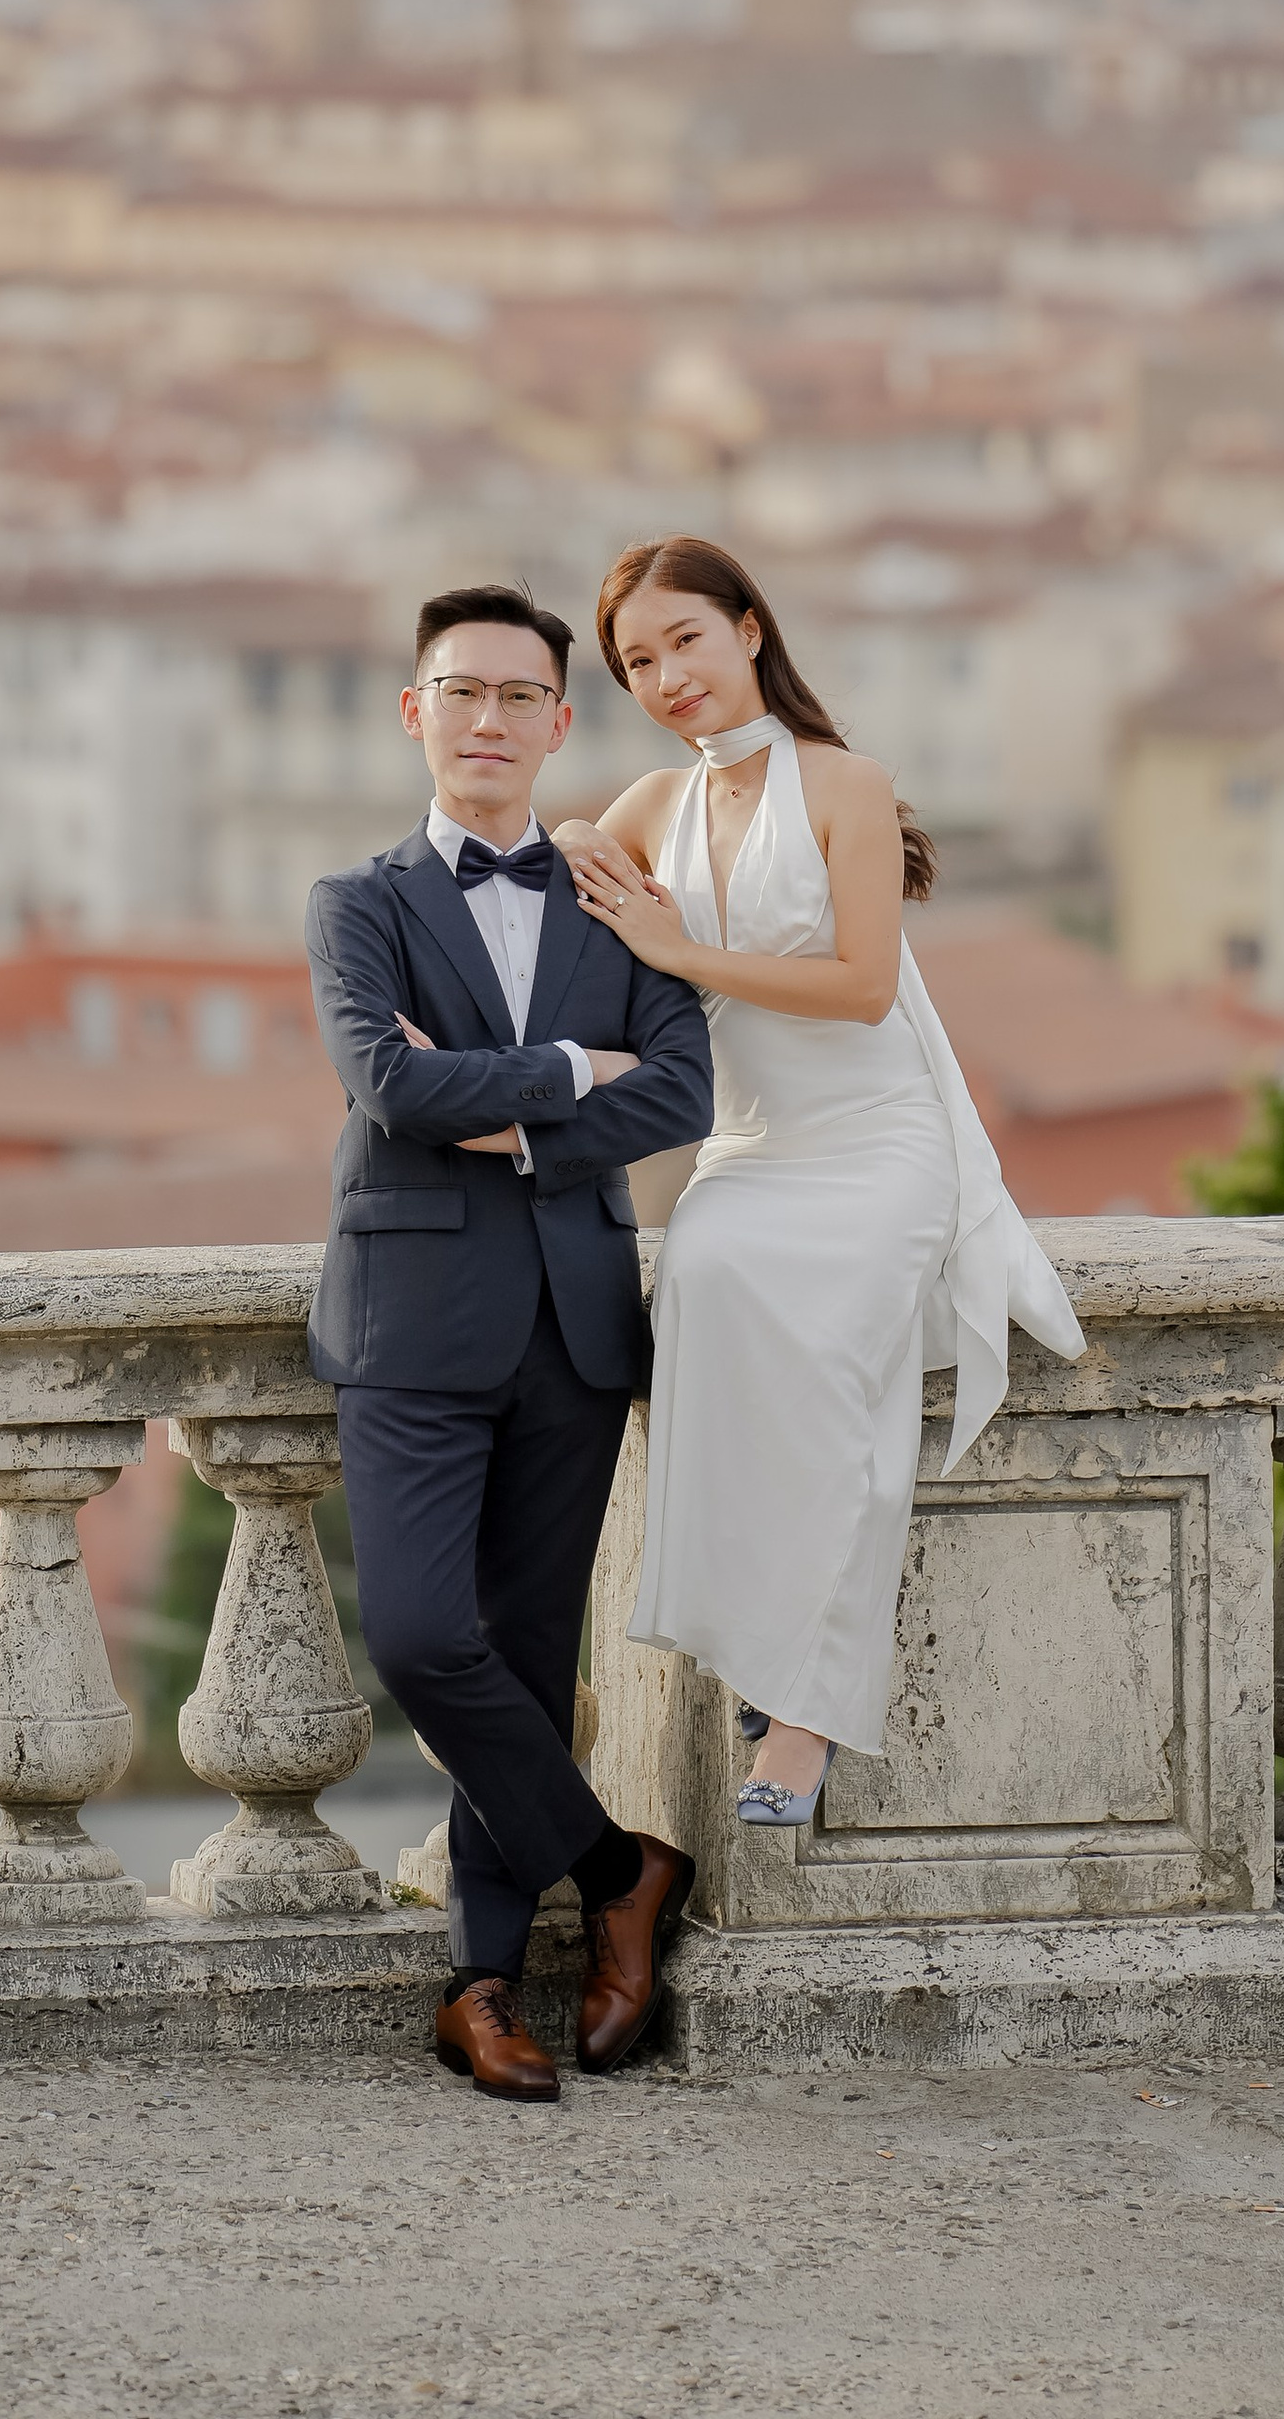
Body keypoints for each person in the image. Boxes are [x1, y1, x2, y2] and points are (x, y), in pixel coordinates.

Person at [554, 535, 1085, 1824]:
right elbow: (551, 872)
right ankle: (763, 1635)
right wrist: (573, 833)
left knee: (851, 1377)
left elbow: (858, 987)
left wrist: (679, 946)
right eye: (638, 662)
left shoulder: (846, 783)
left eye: (687, 639)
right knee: (707, 1280)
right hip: (751, 1149)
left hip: (876, 1136)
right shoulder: (651, 808)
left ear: (747, 629)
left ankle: (804, 1716)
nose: (669, 675)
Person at [304, 582, 716, 2103]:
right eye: (458, 693)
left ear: (559, 721)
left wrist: (511, 1115)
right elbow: (390, 1090)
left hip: (575, 1322)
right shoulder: (357, 906)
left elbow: (676, 1093)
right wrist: (563, 1067)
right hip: (410, 1324)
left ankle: (485, 1984)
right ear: (416, 714)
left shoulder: (620, 897)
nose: (487, 720)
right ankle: (622, 1867)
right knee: (420, 1637)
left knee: (531, 1665)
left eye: (517, 697)